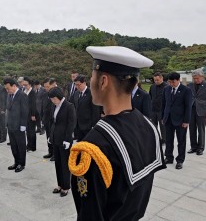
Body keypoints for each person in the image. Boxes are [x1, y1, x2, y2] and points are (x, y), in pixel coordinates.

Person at [69, 46, 166, 220]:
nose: (91, 82)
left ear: (103, 81)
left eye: (92, 77)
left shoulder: (93, 147)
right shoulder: (149, 127)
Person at [48, 87, 76, 197]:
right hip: (55, 138)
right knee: (58, 163)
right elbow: (52, 122)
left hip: (64, 140)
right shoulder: (54, 106)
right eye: (51, 99)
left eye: (54, 99)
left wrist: (68, 139)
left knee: (65, 164)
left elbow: (71, 124)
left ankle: (66, 186)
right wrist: (51, 135)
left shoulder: (69, 106)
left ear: (59, 97)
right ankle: (59, 184)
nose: (53, 101)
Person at [162, 72, 192, 169]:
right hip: (168, 119)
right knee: (169, 140)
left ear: (178, 80)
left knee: (181, 141)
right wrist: (163, 117)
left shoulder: (186, 90)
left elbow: (188, 107)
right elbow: (164, 104)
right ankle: (169, 157)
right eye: (169, 82)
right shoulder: (166, 89)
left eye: (173, 82)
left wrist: (186, 121)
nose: (171, 84)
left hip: (181, 120)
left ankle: (180, 160)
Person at [4, 78, 29, 173]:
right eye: (6, 89)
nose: (7, 90)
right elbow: (8, 109)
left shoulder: (22, 95)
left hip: (19, 126)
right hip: (11, 125)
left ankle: (21, 164)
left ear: (14, 86)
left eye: (8, 88)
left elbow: (25, 111)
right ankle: (16, 162)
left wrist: (23, 125)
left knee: (21, 146)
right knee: (13, 146)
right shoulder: (9, 95)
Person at [187, 70, 206, 156]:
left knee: (201, 130)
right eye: (194, 78)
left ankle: (200, 148)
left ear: (202, 77)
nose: (195, 80)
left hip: (202, 111)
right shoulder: (190, 85)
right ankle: (193, 147)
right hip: (191, 110)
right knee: (192, 129)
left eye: (197, 78)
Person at [73, 75, 101, 141]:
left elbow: (95, 111)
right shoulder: (76, 93)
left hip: (88, 126)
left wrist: (94, 126)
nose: (77, 87)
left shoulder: (91, 93)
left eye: (78, 85)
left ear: (84, 83)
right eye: (75, 85)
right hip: (78, 127)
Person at [149, 72, 168, 144]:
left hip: (162, 110)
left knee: (163, 126)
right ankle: (156, 138)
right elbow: (150, 97)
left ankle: (164, 140)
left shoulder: (167, 87)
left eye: (157, 80)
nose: (156, 81)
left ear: (161, 78)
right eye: (155, 80)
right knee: (153, 125)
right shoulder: (152, 86)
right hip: (153, 109)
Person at [42, 78, 58, 161]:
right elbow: (44, 107)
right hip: (47, 120)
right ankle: (50, 152)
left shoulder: (57, 94)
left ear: (52, 85)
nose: (46, 88)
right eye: (45, 87)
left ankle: (55, 154)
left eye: (47, 86)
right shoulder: (45, 94)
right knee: (48, 136)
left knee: (54, 137)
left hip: (54, 120)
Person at [23, 77, 37, 152]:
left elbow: (33, 104)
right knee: (27, 131)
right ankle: (28, 145)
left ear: (29, 83)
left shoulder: (32, 92)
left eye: (26, 83)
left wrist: (33, 115)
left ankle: (32, 147)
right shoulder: (24, 91)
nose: (24, 85)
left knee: (32, 131)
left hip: (31, 114)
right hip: (25, 114)